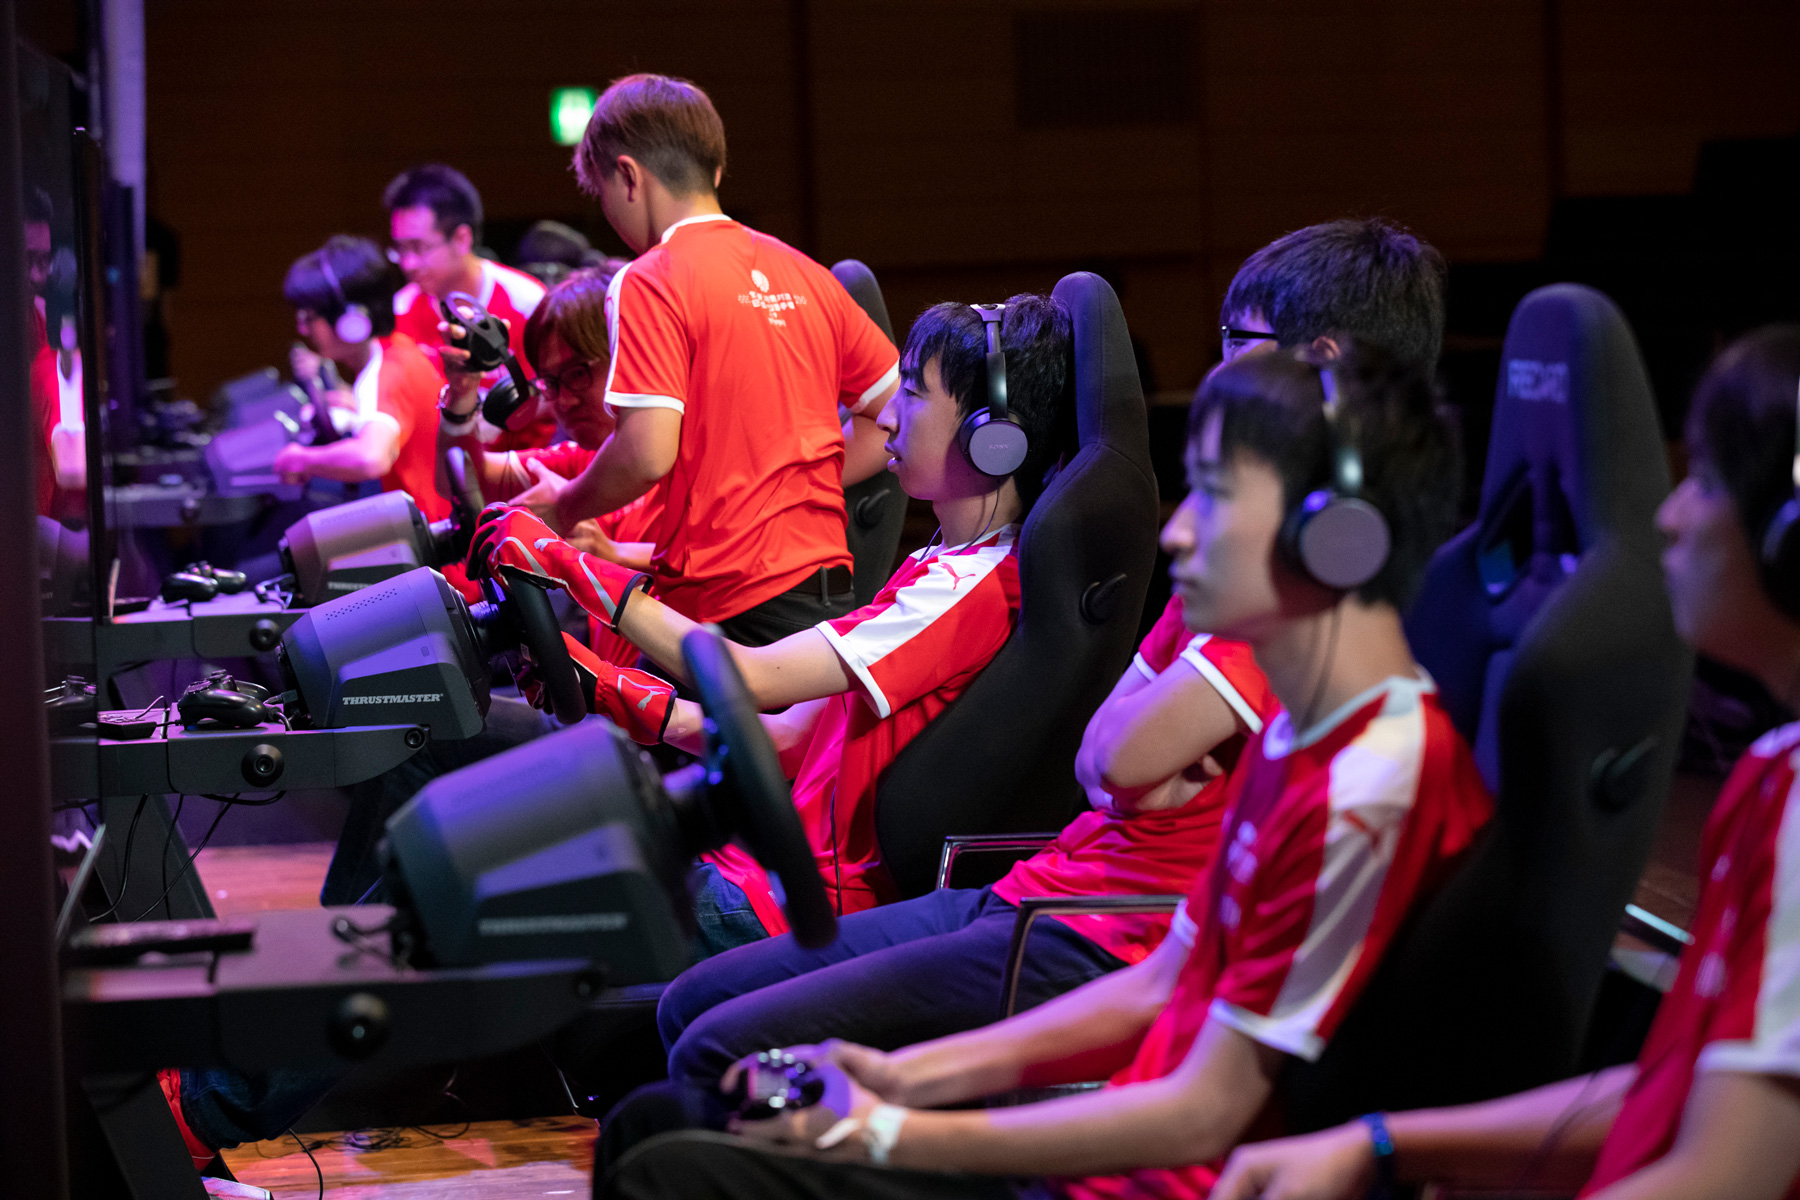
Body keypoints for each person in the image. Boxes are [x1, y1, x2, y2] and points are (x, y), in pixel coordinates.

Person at [593, 341, 1489, 1200]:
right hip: (1094, 1162)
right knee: (664, 1124)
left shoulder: (1372, 782)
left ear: (1334, 538)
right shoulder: (1300, 737)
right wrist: (898, 1077)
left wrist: (887, 1130)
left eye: (1213, 497)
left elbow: (1205, 1113)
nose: (1176, 533)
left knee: (671, 1159)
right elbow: (1160, 982)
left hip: (1140, 1181)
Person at [646, 216, 1451, 1089]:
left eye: (1235, 342)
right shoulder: (1232, 577)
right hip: (1042, 887)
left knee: (707, 1039)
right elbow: (1107, 756)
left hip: (1102, 925)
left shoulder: (1303, 603)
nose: (1176, 533)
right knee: (692, 1009)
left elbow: (1120, 759)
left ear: (1321, 360)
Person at [1207, 324, 1800, 1200]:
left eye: (1706, 482)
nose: (1669, 514)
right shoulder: (1771, 774)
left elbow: (1724, 1176)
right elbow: (1676, 1093)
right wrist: (1379, 1144)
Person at [475, 294, 1071, 954]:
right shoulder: (942, 563)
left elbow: (752, 677)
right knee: (499, 866)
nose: (887, 416)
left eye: (913, 392)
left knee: (493, 903)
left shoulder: (968, 590)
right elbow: (788, 739)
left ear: (993, 436)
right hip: (764, 869)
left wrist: (569, 565)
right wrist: (608, 689)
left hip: (807, 903)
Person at [542, 73, 899, 642]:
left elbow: (645, 453)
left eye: (601, 193)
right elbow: (896, 417)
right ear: (713, 170)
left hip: (731, 606)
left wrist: (562, 509)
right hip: (827, 597)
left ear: (627, 177)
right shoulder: (807, 271)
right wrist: (797, 479)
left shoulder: (649, 279)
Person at [271, 236, 447, 519]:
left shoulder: (388, 369)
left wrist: (301, 459)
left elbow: (371, 458)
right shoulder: (395, 349)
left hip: (432, 540)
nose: (302, 329)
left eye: (308, 317)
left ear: (348, 319)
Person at [383, 162, 554, 449]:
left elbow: (560, 391)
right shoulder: (400, 310)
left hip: (525, 465)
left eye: (419, 247)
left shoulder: (527, 302)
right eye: (400, 249)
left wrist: (498, 419)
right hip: (444, 468)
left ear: (462, 239)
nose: (408, 263)